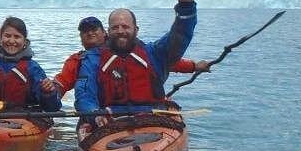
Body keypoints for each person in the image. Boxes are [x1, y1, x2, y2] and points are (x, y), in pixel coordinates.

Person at [74, 0, 198, 128]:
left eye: (125, 26)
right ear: (108, 31)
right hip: (110, 120)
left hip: (153, 118)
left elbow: (179, 37)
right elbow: (84, 94)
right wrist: (94, 113)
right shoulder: (93, 59)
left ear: (136, 30)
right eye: (115, 27)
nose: (120, 31)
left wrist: (186, 7)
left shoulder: (154, 53)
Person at [43, 15, 211, 97]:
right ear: (80, 37)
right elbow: (62, 83)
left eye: (94, 30)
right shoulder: (78, 61)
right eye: (85, 32)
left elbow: (162, 61)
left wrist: (194, 66)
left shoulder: (132, 49)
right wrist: (50, 92)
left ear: (104, 33)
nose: (90, 34)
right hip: (106, 110)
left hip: (145, 111)